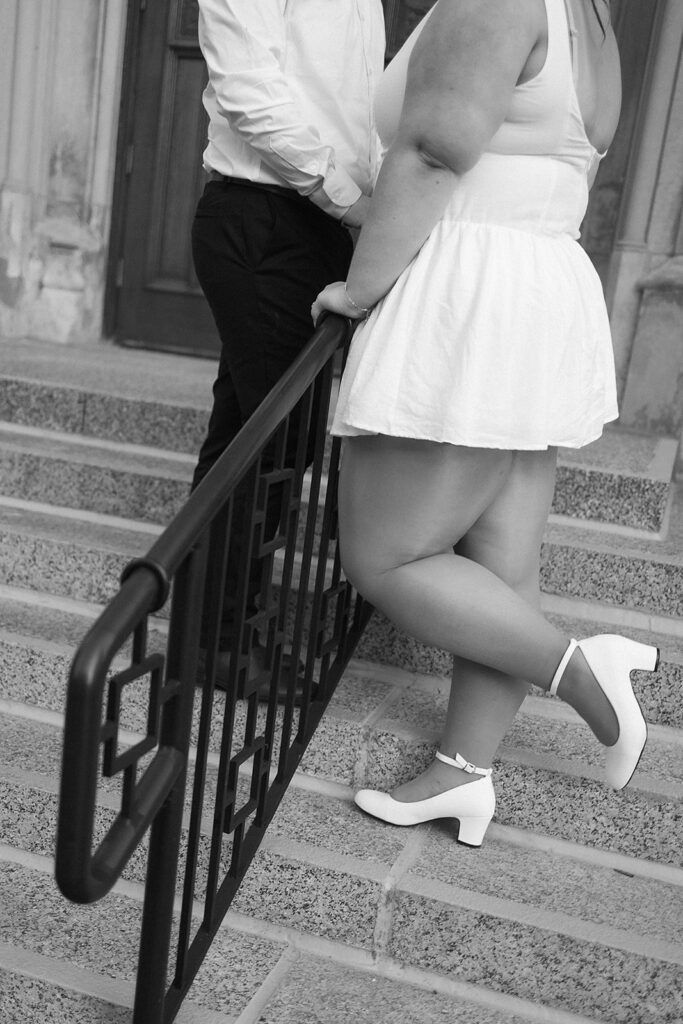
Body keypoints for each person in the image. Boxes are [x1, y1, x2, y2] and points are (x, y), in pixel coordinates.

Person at [311, 0, 659, 847]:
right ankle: (462, 776)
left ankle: (581, 672)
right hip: (536, 278)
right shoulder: (592, 17)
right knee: (503, 563)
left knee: (385, 556)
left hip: (469, 284)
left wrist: (358, 291)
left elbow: (434, 150)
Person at [191, 0, 385, 695]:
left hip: (311, 226)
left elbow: (354, 111)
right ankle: (218, 639)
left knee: (244, 432)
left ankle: (208, 624)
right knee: (276, 443)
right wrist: (349, 199)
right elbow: (250, 91)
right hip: (263, 217)